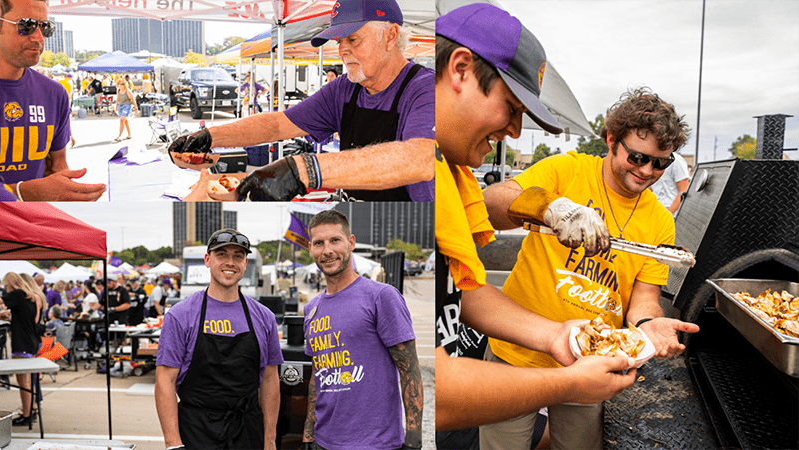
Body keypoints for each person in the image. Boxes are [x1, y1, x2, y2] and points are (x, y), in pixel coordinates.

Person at [434, 6, 639, 448]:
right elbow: (441, 393)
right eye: (511, 107)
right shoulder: (417, 175)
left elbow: (460, 291)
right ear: (461, 69)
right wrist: (569, 384)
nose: (514, 130)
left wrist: (556, 335)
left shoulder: (451, 173)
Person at [480, 85, 701, 448]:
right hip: (517, 351)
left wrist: (647, 325)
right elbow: (491, 203)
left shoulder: (660, 221)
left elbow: (644, 297)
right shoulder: (567, 170)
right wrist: (549, 208)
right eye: (638, 157)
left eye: (661, 163)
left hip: (590, 362)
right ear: (611, 139)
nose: (647, 171)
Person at [169, 0, 434, 202]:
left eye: (353, 39)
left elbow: (420, 159)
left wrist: (305, 170)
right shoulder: (344, 89)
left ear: (390, 36)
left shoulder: (426, 89)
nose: (342, 50)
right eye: (339, 41)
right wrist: (209, 137)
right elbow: (278, 124)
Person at [301, 210, 423, 450]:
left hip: (375, 443)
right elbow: (318, 374)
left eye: (335, 240)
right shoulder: (311, 309)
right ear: (310, 248)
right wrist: (308, 432)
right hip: (324, 441)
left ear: (351, 242)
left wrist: (413, 440)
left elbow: (410, 370)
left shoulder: (381, 297)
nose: (327, 250)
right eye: (319, 243)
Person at [156, 229, 283, 449]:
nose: (230, 262)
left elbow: (270, 380)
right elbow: (164, 381)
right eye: (221, 254)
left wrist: (270, 440)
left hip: (248, 433)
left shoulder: (264, 317)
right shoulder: (180, 315)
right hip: (196, 433)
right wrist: (173, 444)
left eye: (238, 256)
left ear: (245, 263)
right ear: (207, 260)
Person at [0, 0, 106, 201]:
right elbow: (36, 190)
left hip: (35, 219)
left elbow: (57, 166)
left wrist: (70, 191)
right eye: (26, 25)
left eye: (45, 27)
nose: (39, 38)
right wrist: (25, 192)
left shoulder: (53, 94)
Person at [0, 272, 41, 426]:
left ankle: (27, 415)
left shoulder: (17, 293)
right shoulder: (30, 296)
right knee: (28, 381)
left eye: (6, 285)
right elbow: (22, 317)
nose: (6, 289)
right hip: (30, 341)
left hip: (22, 343)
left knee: (23, 382)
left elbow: (0, 301)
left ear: (10, 283)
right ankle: (31, 410)